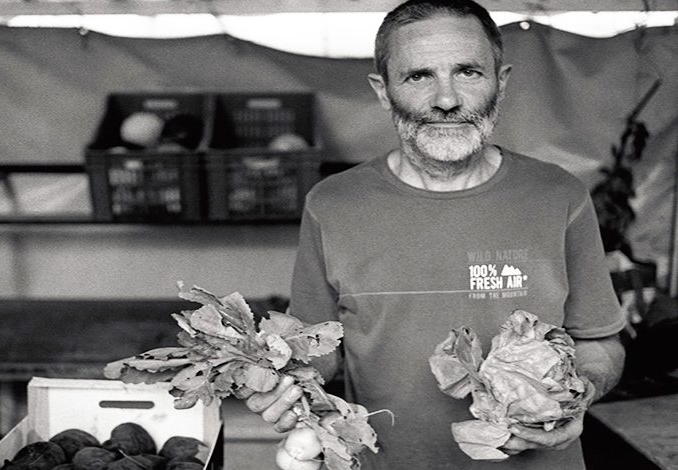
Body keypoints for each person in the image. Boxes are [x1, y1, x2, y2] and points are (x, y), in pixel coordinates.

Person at [242, 0, 627, 468]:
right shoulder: (333, 204)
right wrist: (284, 378)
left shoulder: (558, 195)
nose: (446, 100)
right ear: (383, 92)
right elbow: (318, 346)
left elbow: (598, 342)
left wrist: (577, 395)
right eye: (419, 76)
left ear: (500, 83)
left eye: (467, 72)